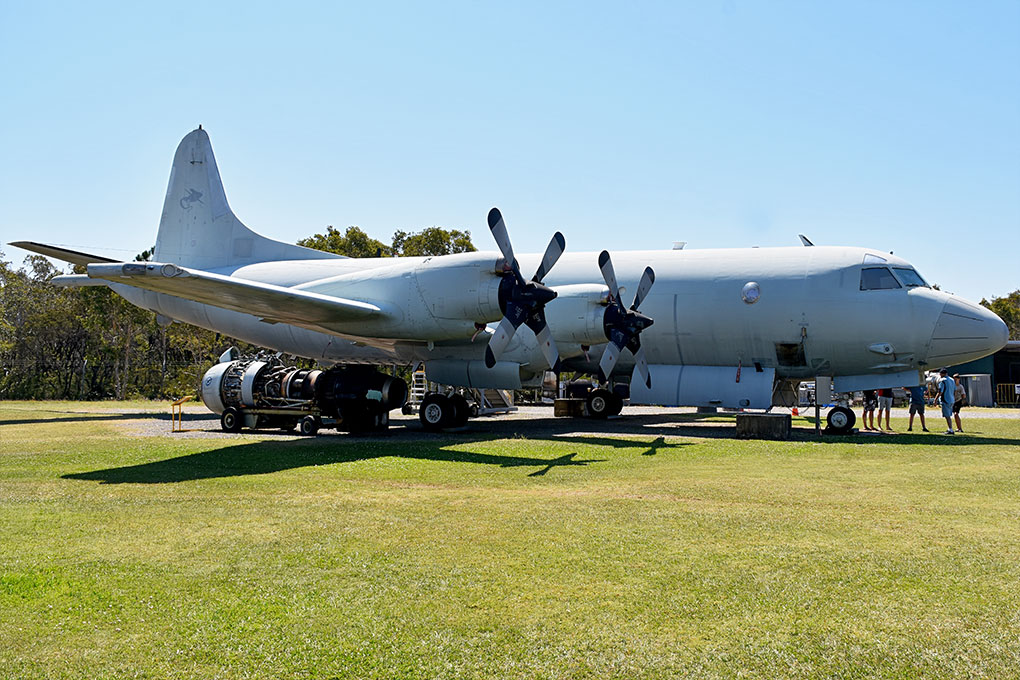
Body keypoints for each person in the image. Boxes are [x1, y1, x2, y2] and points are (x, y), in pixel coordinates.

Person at [936, 368, 956, 434]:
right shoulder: (952, 380)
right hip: (952, 399)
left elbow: (940, 391)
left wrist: (935, 399)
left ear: (942, 374)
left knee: (947, 416)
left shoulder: (943, 381)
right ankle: (949, 428)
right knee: (949, 415)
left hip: (945, 400)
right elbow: (955, 390)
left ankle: (950, 429)